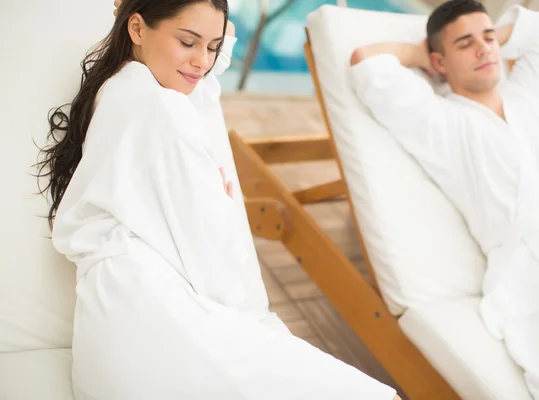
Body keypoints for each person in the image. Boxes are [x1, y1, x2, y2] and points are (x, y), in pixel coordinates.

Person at [35, 0, 401, 398]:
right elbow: (221, 274)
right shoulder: (165, 112)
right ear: (136, 29)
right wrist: (221, 199)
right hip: (150, 323)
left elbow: (203, 61)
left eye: (210, 47)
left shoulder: (120, 86)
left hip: (110, 329)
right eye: (188, 42)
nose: (201, 62)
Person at [349, 1, 539, 399]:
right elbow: (365, 60)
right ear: (439, 62)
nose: (484, 50)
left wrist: (481, 40)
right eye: (465, 44)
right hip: (529, 279)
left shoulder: (532, 95)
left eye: (489, 38)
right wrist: (423, 54)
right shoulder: (439, 122)